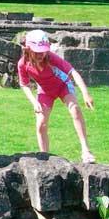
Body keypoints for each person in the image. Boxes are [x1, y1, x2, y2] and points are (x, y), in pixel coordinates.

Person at [17, 30, 96, 164]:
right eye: (37, 52)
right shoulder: (23, 64)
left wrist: (85, 94)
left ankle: (86, 150)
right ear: (28, 49)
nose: (41, 55)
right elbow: (24, 84)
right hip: (46, 90)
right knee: (41, 124)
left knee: (75, 109)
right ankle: (45, 157)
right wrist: (34, 102)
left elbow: (73, 73)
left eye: (43, 51)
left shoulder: (51, 58)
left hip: (63, 85)